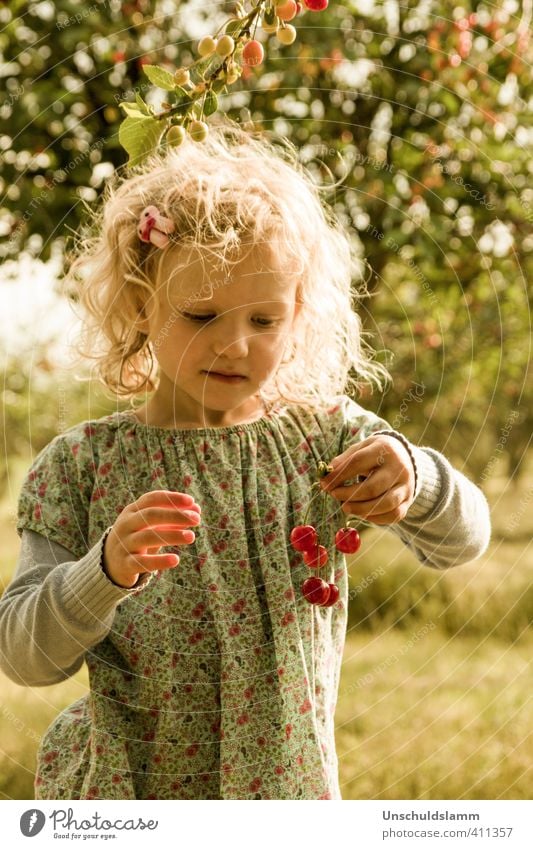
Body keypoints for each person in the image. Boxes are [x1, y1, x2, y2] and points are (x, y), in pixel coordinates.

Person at [0, 122, 490, 800]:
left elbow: (463, 541)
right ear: (141, 305)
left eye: (262, 321)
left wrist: (421, 478)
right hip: (129, 803)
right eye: (200, 315)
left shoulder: (325, 440)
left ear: (297, 315)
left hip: (283, 798)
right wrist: (103, 569)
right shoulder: (83, 466)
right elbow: (24, 656)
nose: (234, 344)